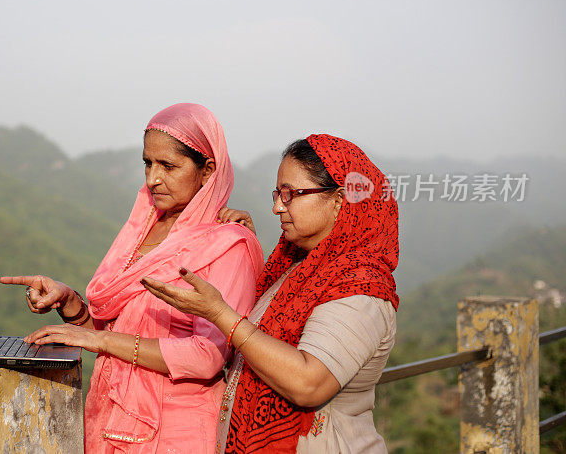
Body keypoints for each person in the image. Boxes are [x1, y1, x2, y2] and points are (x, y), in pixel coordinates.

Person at [0, 103, 264, 453]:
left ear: (208, 170)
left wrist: (101, 342)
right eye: (147, 163)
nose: (153, 178)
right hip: (112, 422)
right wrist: (70, 303)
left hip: (176, 436)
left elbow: (207, 355)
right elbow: (115, 331)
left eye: (168, 166)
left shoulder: (227, 243)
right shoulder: (144, 227)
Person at [142, 134, 399, 453]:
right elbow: (273, 330)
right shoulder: (296, 268)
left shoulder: (361, 284)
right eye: (278, 193)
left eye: (292, 194)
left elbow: (309, 383)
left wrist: (219, 314)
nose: (277, 206)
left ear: (339, 201)